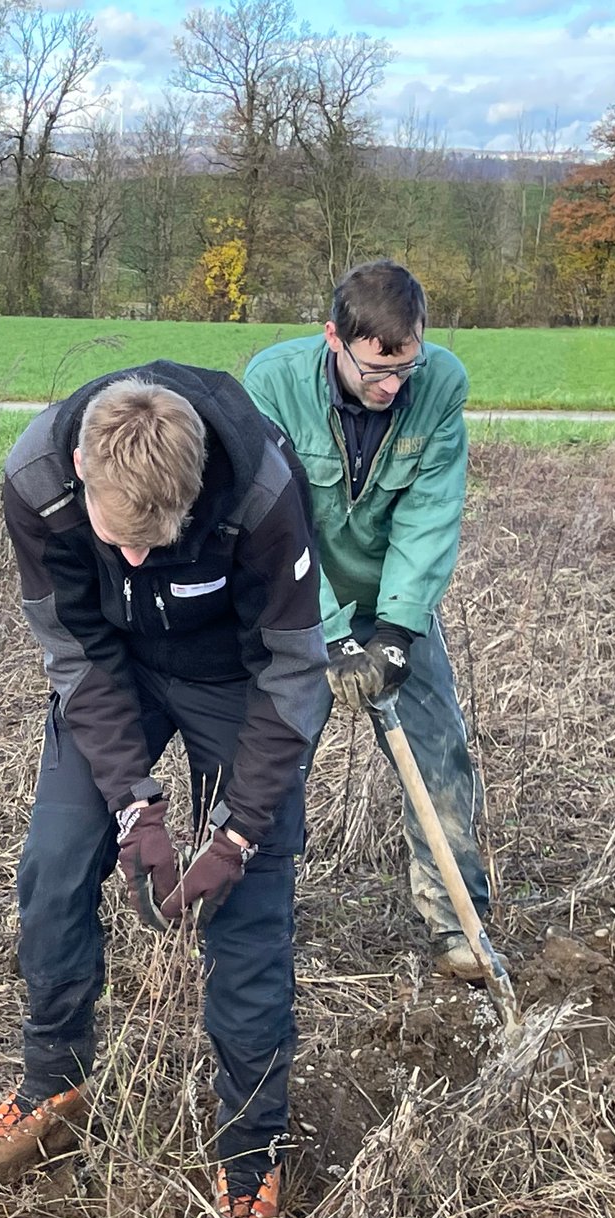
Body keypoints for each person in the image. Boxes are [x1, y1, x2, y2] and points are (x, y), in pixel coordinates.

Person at [0, 363, 329, 1218]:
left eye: (155, 543)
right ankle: (55, 1079)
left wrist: (234, 833)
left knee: (250, 905)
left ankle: (252, 1150)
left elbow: (293, 673)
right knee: (52, 865)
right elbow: (73, 651)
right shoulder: (38, 482)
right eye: (118, 538)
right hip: (110, 667)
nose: (133, 558)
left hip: (237, 680)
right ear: (83, 467)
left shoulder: (263, 492)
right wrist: (134, 807)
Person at [242, 260, 498, 984]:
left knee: (439, 755)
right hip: (296, 603)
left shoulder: (439, 386)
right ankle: (250, 931)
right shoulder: (272, 385)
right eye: (377, 370)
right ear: (334, 339)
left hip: (393, 600)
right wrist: (329, 634)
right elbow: (275, 523)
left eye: (406, 367)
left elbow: (429, 514)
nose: (393, 388)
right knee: (271, 758)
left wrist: (395, 634)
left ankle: (460, 929)